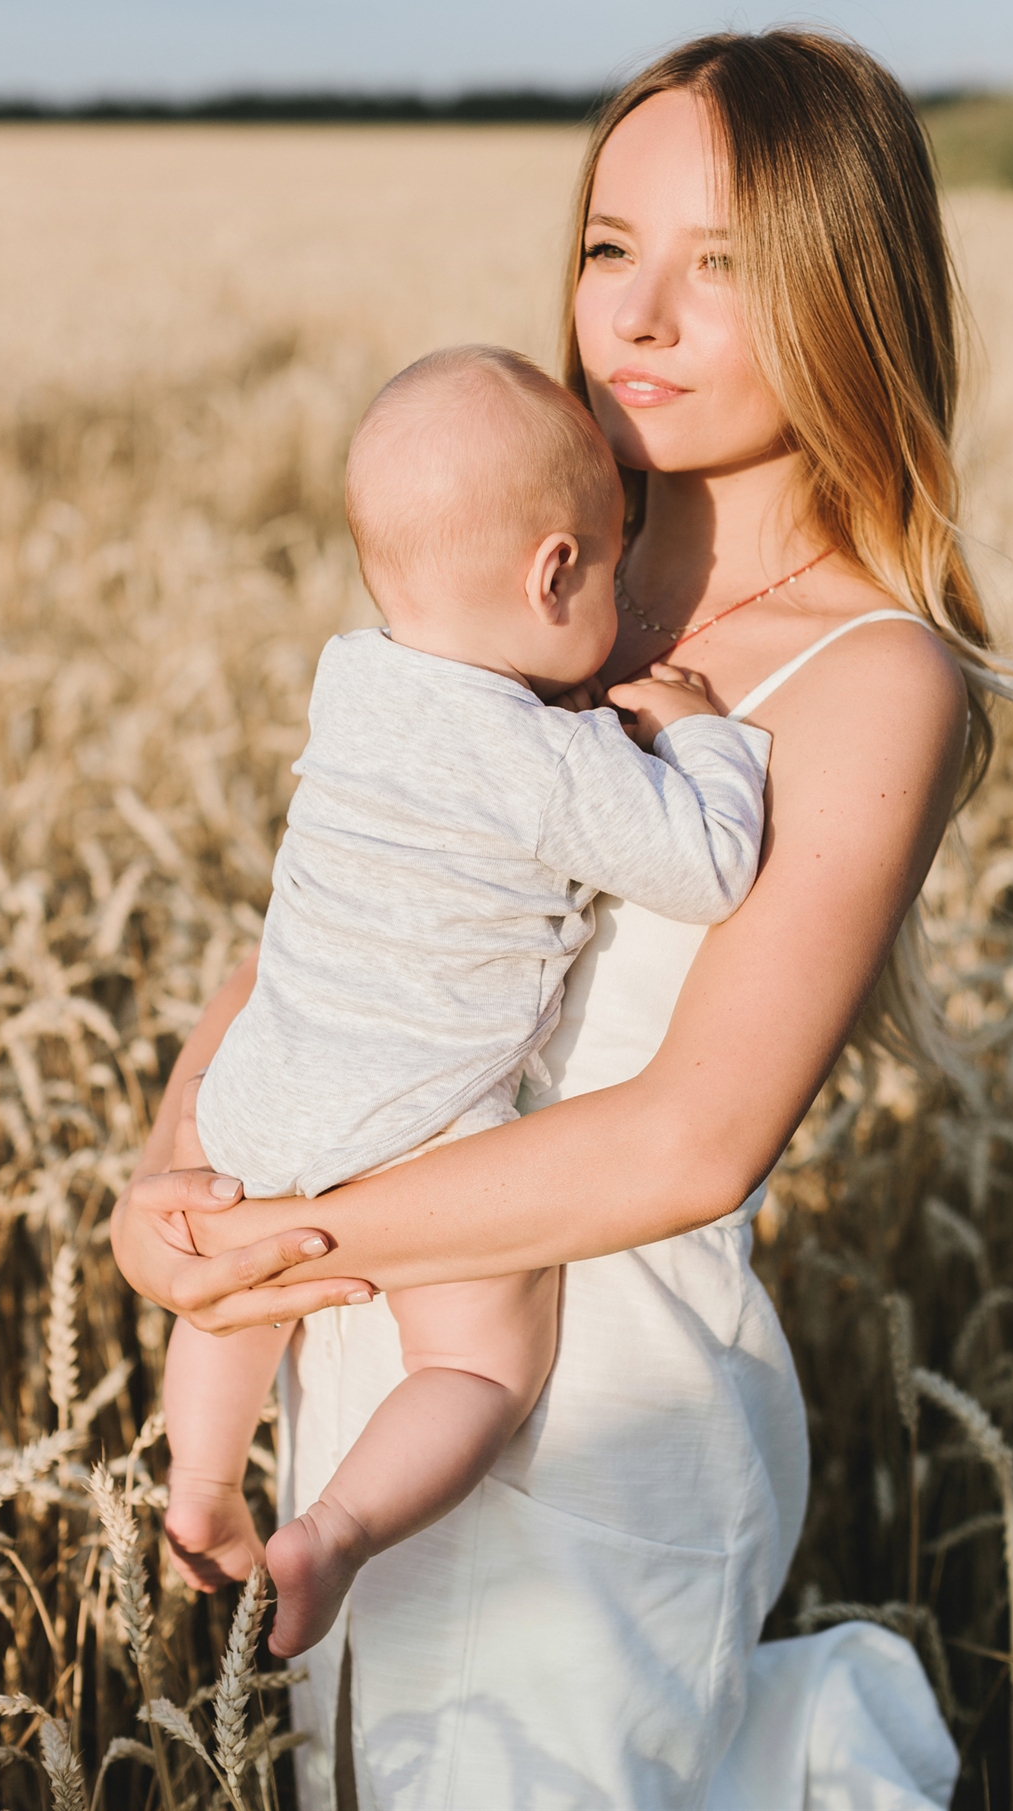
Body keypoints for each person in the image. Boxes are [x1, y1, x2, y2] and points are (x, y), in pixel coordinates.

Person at [112, 29, 1013, 1809]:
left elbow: (697, 1137)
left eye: (725, 265)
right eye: (612, 248)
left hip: (601, 1427)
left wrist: (295, 1233)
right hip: (365, 1371)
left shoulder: (872, 675)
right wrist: (176, 1189)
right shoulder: (537, 571)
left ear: (853, 292)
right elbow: (322, 931)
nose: (639, 315)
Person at [161, 343, 774, 1659]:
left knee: (233, 1282)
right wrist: (696, 731)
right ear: (557, 574)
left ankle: (200, 1487)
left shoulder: (352, 679)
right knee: (481, 1366)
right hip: (422, 1113)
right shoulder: (545, 755)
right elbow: (714, 865)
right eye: (609, 565)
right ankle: (332, 1532)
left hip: (267, 1082)